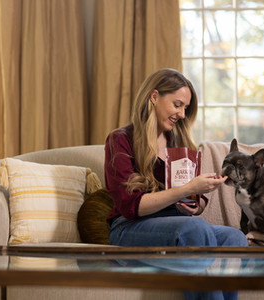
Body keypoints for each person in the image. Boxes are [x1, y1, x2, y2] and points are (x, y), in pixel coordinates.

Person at [104, 68, 248, 300]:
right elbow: (131, 206)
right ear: (154, 97)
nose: (182, 114)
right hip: (129, 228)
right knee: (196, 229)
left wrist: (195, 201)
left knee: (235, 238)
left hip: (177, 227)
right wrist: (187, 190)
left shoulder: (179, 142)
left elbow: (193, 199)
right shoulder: (120, 140)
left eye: (185, 108)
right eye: (177, 104)